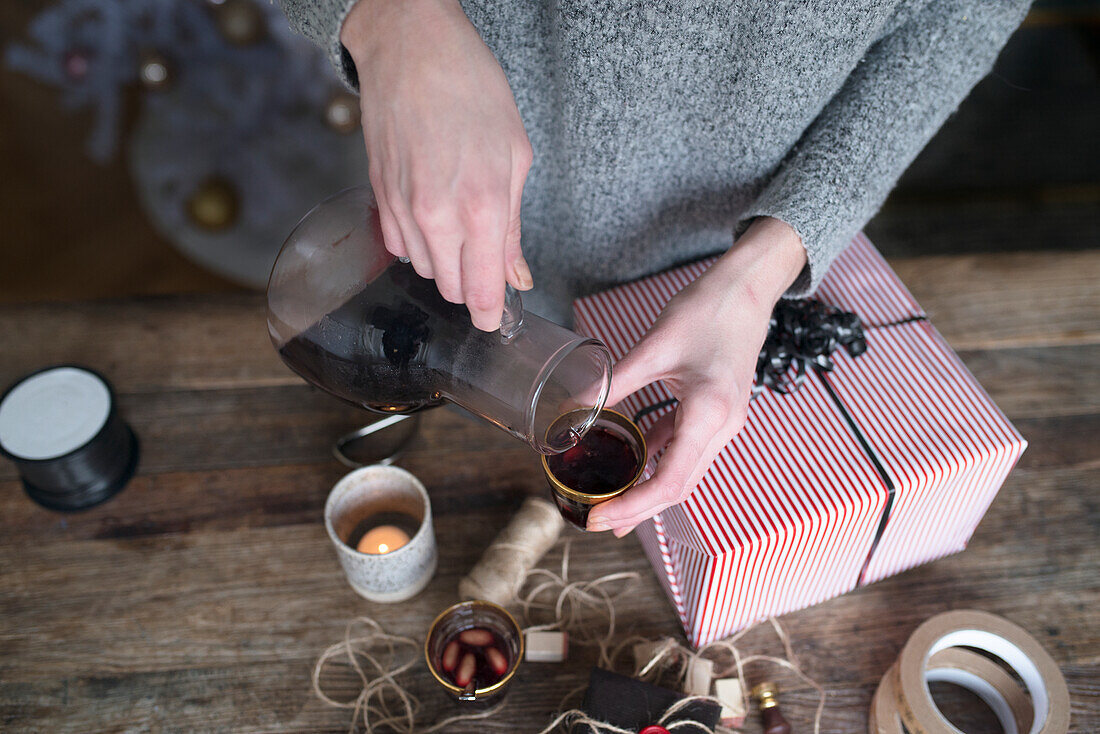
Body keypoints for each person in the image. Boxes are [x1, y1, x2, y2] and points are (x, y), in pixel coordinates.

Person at [277, 0, 1030, 536]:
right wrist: (391, 18)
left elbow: (963, 17)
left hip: (726, 234)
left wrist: (763, 267)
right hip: (453, 176)